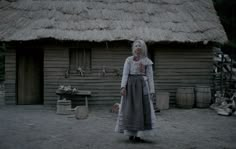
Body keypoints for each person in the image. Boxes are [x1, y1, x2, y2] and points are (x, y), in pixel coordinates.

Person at [115, 39, 157, 142]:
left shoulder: (147, 61)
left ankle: (139, 135)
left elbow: (150, 77)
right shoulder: (129, 60)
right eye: (136, 46)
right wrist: (123, 87)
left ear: (143, 48)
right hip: (130, 88)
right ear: (134, 48)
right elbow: (125, 74)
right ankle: (130, 134)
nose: (138, 47)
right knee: (130, 110)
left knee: (141, 110)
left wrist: (152, 91)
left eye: (140, 46)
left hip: (143, 87)